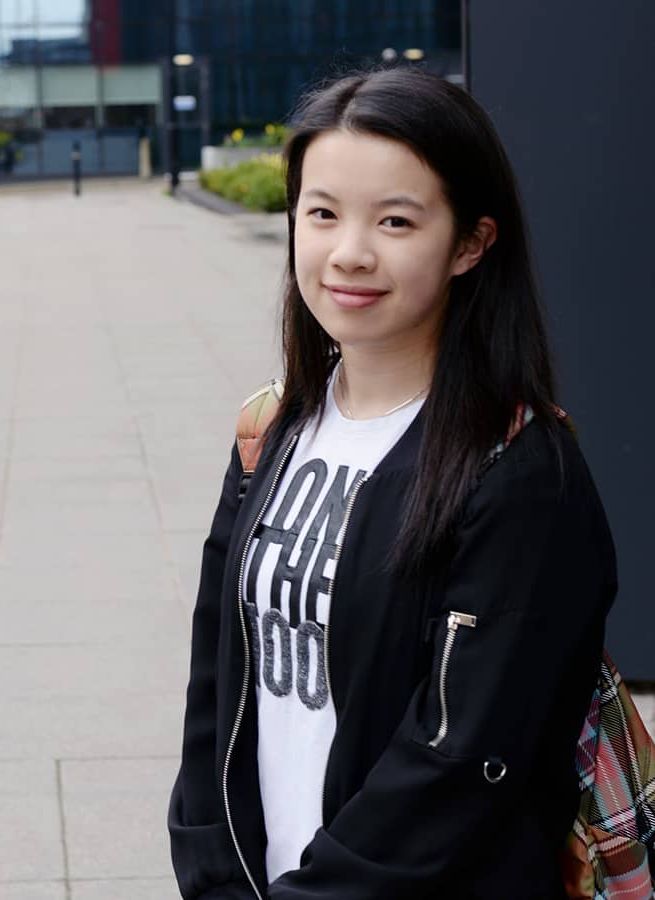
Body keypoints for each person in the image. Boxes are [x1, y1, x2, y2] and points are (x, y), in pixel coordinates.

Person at [167, 67, 618, 900]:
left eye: (396, 220)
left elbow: (458, 762)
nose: (349, 253)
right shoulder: (272, 430)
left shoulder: (518, 471)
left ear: (472, 244)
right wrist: (213, 874)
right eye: (323, 212)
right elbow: (217, 684)